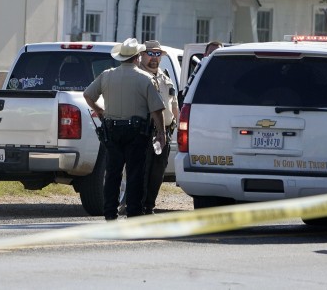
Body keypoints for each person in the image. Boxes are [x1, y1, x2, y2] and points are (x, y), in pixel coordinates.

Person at [83, 38, 165, 220]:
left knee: (112, 173)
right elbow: (157, 110)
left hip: (112, 131)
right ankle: (134, 212)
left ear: (120, 58)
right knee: (135, 173)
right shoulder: (146, 79)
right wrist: (161, 133)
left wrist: (99, 110)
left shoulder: (106, 75)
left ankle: (110, 212)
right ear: (137, 57)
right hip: (137, 133)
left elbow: (87, 95)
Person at [139, 40, 181, 214]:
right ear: (141, 55)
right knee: (142, 170)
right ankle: (136, 205)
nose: (154, 58)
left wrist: (177, 126)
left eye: (158, 54)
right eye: (150, 53)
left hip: (164, 132)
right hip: (144, 131)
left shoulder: (165, 76)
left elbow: (173, 104)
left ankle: (149, 205)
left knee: (158, 171)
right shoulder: (138, 76)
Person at [179, 40, 224, 106]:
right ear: (205, 55)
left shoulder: (228, 76)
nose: (214, 57)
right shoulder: (198, 75)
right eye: (211, 54)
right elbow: (186, 94)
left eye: (217, 54)